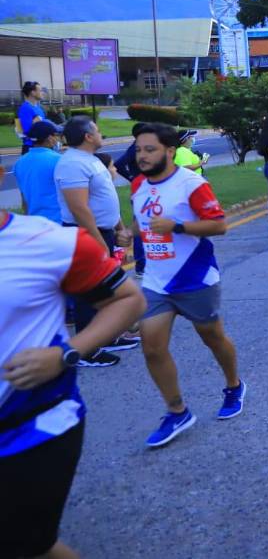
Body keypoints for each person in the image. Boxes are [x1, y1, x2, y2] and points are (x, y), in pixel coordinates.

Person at [0, 208, 145, 559]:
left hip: (31, 427)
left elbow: (129, 300)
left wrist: (65, 353)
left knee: (26, 545)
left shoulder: (51, 241)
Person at [128, 123, 244, 448]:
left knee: (212, 337)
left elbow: (219, 225)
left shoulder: (191, 184)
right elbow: (141, 220)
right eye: (138, 150)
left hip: (195, 277)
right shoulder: (138, 183)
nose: (142, 156)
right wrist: (128, 234)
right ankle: (177, 411)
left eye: (149, 149)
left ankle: (234, 385)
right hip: (156, 281)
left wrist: (177, 226)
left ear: (169, 151)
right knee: (152, 347)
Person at [54, 116, 135, 367]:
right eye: (98, 131)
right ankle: (86, 350)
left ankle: (105, 336)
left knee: (104, 289)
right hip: (86, 234)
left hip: (102, 232)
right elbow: (79, 208)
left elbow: (102, 198)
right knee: (88, 292)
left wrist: (119, 228)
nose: (102, 135)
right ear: (88, 136)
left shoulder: (89, 160)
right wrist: (98, 241)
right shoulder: (72, 164)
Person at [14, 121, 62, 222]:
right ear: (50, 138)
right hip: (58, 220)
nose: (57, 139)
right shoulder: (59, 160)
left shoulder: (19, 162)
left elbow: (23, 197)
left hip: (34, 221)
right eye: (56, 135)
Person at [16, 80, 46, 155]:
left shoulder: (38, 108)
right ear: (33, 92)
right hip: (31, 147)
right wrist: (36, 123)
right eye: (40, 90)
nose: (43, 93)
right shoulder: (25, 108)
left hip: (40, 146)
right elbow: (25, 131)